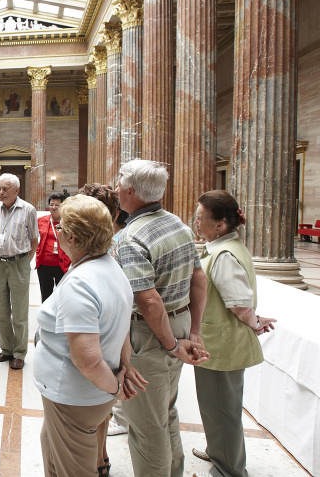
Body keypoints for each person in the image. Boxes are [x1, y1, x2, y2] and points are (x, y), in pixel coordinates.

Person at [114, 159, 210, 477]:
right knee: (164, 411)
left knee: (145, 425)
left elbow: (149, 301)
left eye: (118, 183)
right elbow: (198, 279)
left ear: (130, 191)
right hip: (179, 323)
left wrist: (170, 346)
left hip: (151, 335)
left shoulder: (130, 237)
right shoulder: (178, 224)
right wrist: (193, 333)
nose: (115, 188)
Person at [35, 195, 142, 477]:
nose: (57, 232)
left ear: (71, 237)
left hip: (74, 396)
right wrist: (125, 367)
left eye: (60, 228)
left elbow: (88, 362)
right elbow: (124, 326)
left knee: (73, 469)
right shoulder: (108, 266)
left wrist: (117, 390)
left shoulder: (81, 283)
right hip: (86, 393)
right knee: (52, 450)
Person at [191, 190, 276, 477]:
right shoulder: (221, 248)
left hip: (222, 344)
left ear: (220, 225)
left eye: (201, 218)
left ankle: (230, 469)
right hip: (219, 341)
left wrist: (256, 321)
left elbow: (240, 303)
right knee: (216, 407)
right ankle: (219, 452)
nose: (196, 223)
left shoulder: (224, 255)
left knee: (222, 410)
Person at [76, 182, 124, 474]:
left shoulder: (109, 251)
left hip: (99, 334)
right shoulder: (102, 248)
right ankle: (100, 456)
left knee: (93, 402)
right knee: (101, 403)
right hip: (110, 334)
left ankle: (95, 458)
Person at [0, 173, 39, 370]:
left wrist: (24, 261)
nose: (1, 192)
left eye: (6, 188)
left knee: (19, 312)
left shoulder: (28, 210)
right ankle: (6, 349)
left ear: (17, 190)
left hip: (19, 263)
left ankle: (19, 352)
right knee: (0, 311)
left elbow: (34, 241)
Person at [35, 192, 71, 303]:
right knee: (46, 297)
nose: (53, 207)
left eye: (57, 205)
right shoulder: (41, 221)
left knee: (62, 296)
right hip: (44, 265)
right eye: (51, 204)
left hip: (62, 265)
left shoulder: (68, 222)